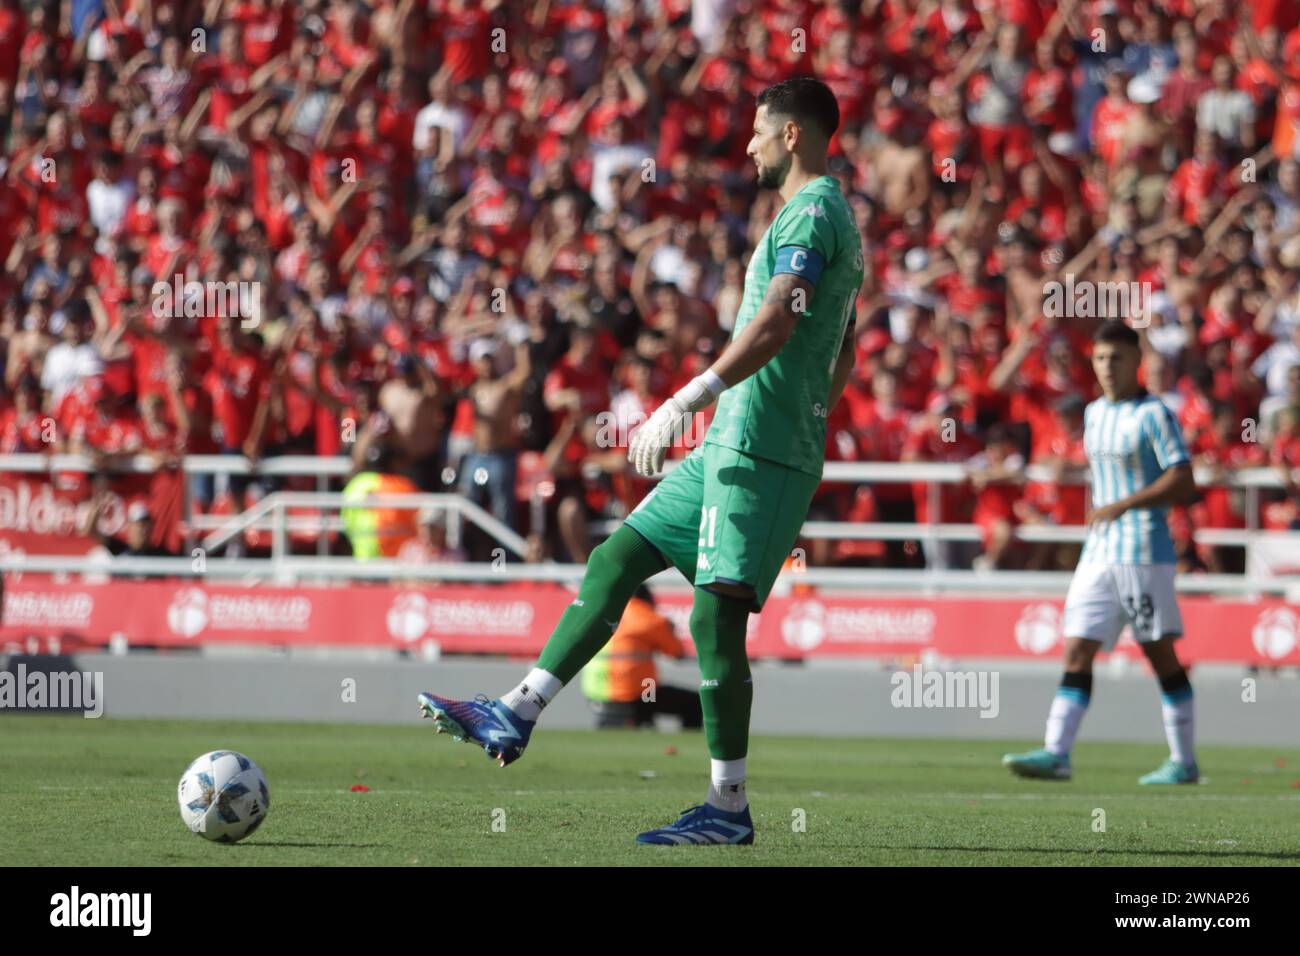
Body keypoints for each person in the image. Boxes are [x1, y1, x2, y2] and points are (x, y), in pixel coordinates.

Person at [415, 77, 863, 845]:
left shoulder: (816, 210)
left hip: (758, 452)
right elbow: (842, 342)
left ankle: (728, 808)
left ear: (793, 135)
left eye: (759, 130)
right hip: (735, 439)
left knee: (715, 622)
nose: (748, 143)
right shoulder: (813, 214)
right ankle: (514, 712)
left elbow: (781, 319)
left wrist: (690, 396)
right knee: (616, 559)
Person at [1003, 320, 1200, 784]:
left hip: (1143, 552)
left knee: (1160, 656)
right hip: (1098, 552)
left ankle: (1184, 761)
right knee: (1076, 648)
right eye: (1100, 359)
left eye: (1117, 358)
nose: (1108, 367)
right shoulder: (1092, 413)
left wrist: (1124, 504)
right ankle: (1057, 753)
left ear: (1136, 362)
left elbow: (1184, 478)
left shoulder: (1155, 414)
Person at [580, 585, 702, 730]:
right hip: (637, 695)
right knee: (694, 703)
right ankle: (650, 724)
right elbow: (677, 653)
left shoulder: (601, 614)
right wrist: (670, 630)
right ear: (648, 597)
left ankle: (644, 721)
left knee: (650, 690)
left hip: (594, 692)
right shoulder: (649, 618)